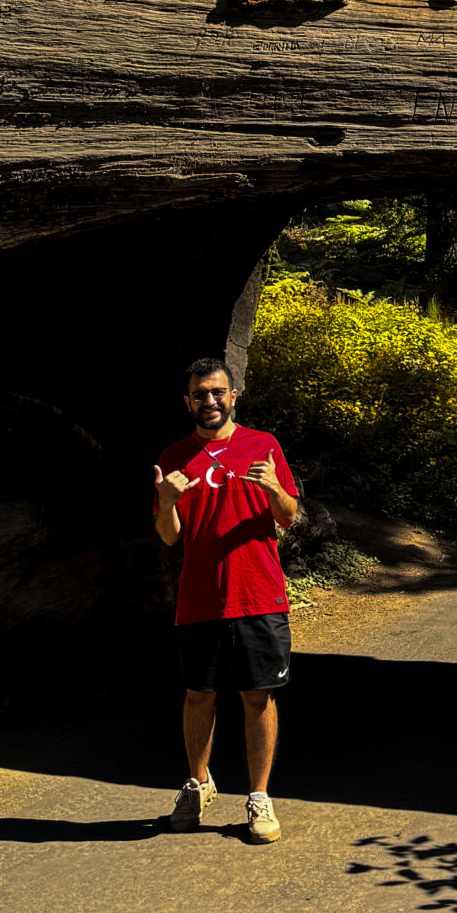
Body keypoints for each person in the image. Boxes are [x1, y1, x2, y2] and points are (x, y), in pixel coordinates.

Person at [151, 354, 300, 844]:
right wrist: (168, 502)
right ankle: (198, 783)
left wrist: (275, 486)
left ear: (233, 396)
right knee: (199, 695)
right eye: (199, 394)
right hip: (201, 598)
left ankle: (259, 798)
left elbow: (289, 516)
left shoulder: (264, 445)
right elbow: (170, 536)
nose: (209, 401)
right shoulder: (174, 457)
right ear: (187, 401)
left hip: (259, 594)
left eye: (217, 392)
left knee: (257, 696)